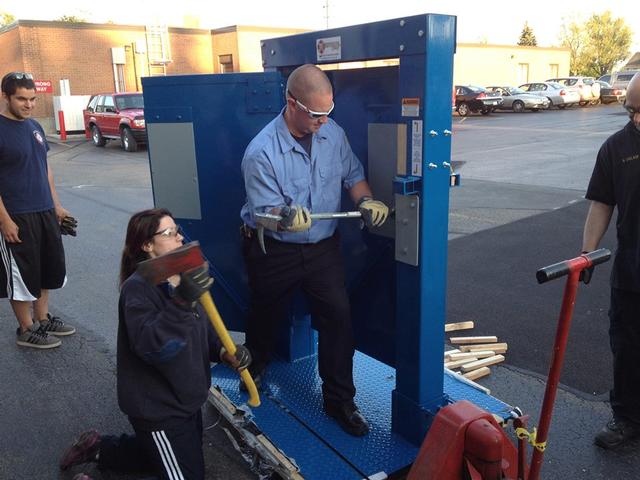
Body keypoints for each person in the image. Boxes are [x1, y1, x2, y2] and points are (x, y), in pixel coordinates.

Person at [239, 64, 389, 437]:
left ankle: (339, 401)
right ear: (292, 104)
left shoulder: (332, 134)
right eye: (316, 114)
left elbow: (352, 175)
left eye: (329, 112)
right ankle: (254, 364)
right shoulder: (261, 152)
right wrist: (285, 217)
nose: (324, 121)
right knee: (265, 313)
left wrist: (367, 200)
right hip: (274, 249)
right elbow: (263, 212)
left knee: (338, 318)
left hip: (322, 248)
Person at [60, 208, 251, 480]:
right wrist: (183, 301)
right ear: (147, 245)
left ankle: (101, 448)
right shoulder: (137, 289)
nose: (180, 238)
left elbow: (201, 332)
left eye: (178, 231)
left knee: (163, 457)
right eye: (169, 233)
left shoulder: (179, 278)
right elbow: (154, 347)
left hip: (184, 400)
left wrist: (224, 352)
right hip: (159, 409)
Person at [582, 72, 640, 450]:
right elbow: (602, 203)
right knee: (628, 346)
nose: (637, 119)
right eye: (632, 110)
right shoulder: (616, 147)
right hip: (632, 272)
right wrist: (587, 253)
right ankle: (626, 418)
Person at [0, 71, 76, 349]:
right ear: (5, 96)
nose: (29, 104)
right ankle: (26, 328)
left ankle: (42, 319)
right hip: (15, 214)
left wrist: (56, 207)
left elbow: (45, 169)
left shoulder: (34, 127)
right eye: (21, 99)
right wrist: (4, 220)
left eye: (32, 99)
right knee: (22, 274)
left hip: (43, 210)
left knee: (46, 267)